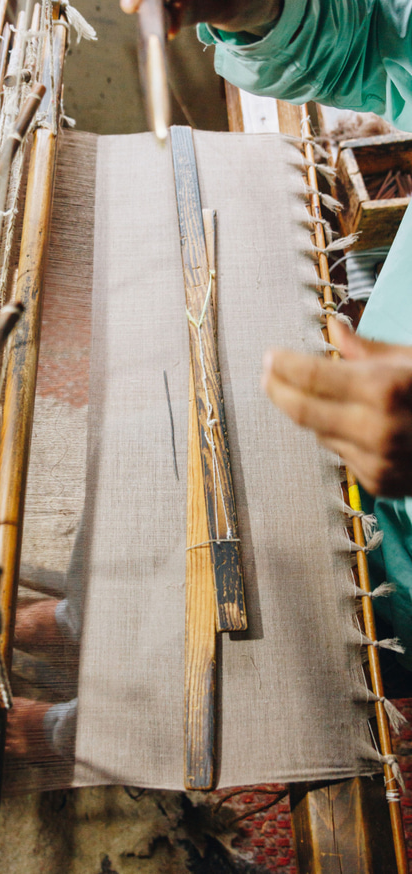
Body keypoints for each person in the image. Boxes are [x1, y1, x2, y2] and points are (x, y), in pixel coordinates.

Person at [121, 0, 412, 665]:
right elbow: (376, 42)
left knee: (281, 658)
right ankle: (68, 624)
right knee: (149, 497)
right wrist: (260, 10)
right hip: (354, 404)